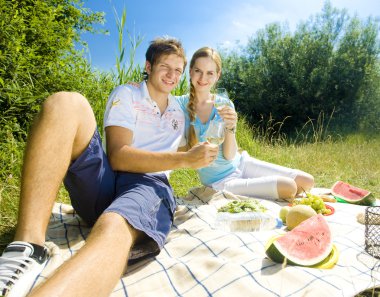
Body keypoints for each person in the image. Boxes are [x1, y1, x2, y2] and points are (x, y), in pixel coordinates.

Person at [0, 37, 218, 297]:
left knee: (115, 222)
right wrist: (183, 160)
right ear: (148, 66)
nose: (172, 75)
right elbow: (118, 156)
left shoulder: (180, 110)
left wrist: (225, 123)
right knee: (66, 103)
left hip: (149, 183)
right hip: (107, 179)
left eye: (178, 70)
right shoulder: (128, 93)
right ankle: (27, 247)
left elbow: (198, 133)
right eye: (165, 67)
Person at [176, 47, 314, 200]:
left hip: (241, 163)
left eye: (210, 73)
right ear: (190, 71)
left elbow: (229, 155)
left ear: (217, 75)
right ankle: (250, 187)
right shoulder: (179, 105)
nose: (203, 78)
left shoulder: (224, 104)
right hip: (220, 181)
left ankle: (253, 185)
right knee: (289, 187)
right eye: (198, 71)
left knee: (306, 181)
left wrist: (230, 127)